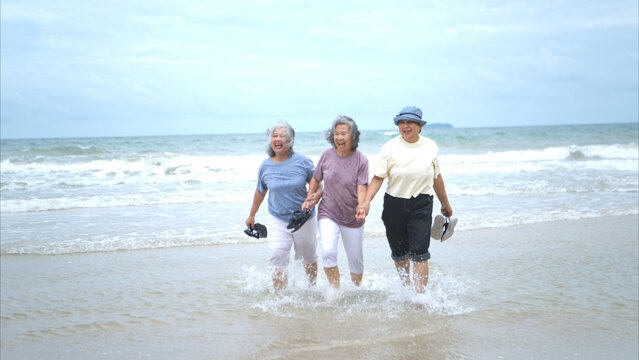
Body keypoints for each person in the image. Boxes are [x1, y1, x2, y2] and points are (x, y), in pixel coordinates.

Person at [356, 106, 453, 295]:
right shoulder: (390, 147)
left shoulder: (431, 146)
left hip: (422, 203)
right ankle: (406, 286)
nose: (405, 126)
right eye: (401, 122)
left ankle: (420, 297)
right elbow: (378, 178)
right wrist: (366, 202)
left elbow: (436, 177)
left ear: (420, 126)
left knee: (420, 253)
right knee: (399, 253)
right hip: (394, 204)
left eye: (409, 122)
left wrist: (445, 203)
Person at [246, 120, 319, 291]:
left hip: (304, 219)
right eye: (275, 136)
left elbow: (316, 184)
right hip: (277, 218)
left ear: (291, 140)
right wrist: (252, 215)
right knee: (277, 255)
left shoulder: (303, 161)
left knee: (308, 257)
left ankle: (311, 289)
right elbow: (260, 191)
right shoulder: (265, 165)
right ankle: (280, 297)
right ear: (270, 139)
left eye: (282, 136)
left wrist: (311, 199)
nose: (278, 139)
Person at [302, 116, 369, 291]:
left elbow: (362, 189)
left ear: (353, 136)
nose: (339, 137)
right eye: (336, 133)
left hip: (352, 215)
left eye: (344, 133)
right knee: (328, 251)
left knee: (356, 261)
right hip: (328, 212)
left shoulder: (361, 160)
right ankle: (335, 290)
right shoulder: (326, 155)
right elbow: (316, 179)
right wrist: (309, 198)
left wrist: (362, 206)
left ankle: (356, 290)